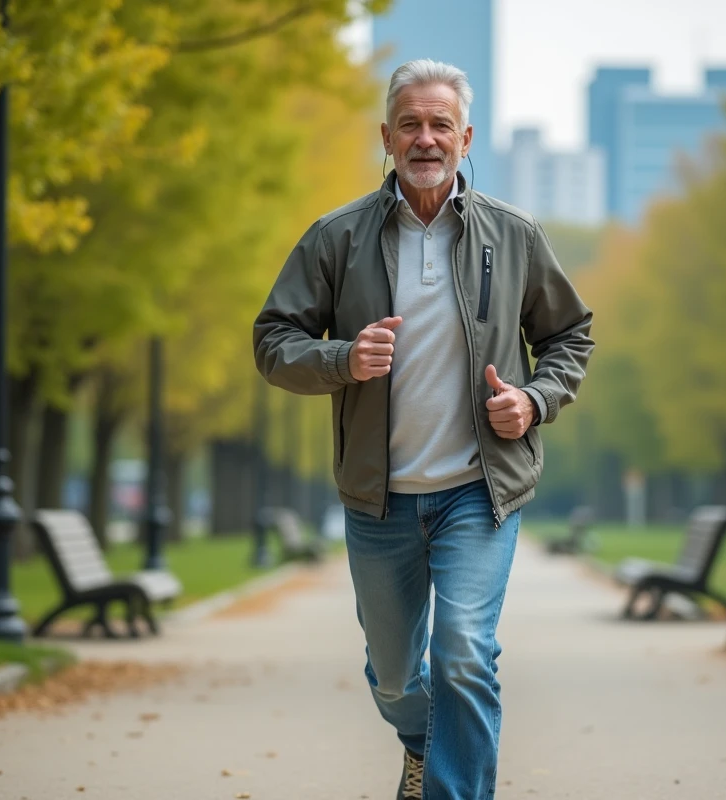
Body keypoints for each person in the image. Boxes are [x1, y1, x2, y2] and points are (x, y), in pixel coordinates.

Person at [253, 59, 594, 800]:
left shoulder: (514, 237)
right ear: (386, 136)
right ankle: (420, 741)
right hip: (381, 499)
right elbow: (273, 341)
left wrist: (534, 400)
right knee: (397, 672)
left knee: (465, 654)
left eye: (441, 124)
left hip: (479, 491)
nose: (426, 138)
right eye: (410, 123)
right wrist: (344, 358)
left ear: (466, 137)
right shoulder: (336, 238)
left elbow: (571, 337)